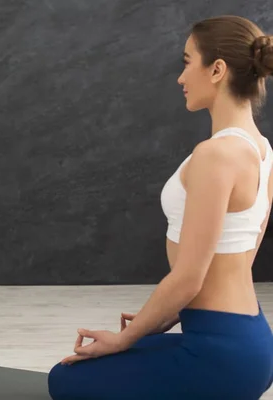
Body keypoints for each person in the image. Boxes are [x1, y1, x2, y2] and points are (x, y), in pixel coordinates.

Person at [48, 15, 273, 400]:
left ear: (216, 69)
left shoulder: (216, 155)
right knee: (120, 353)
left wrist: (125, 340)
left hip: (221, 355)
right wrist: (158, 319)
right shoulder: (262, 149)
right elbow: (234, 259)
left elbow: (190, 277)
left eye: (187, 62)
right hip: (246, 342)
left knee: (63, 380)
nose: (180, 78)